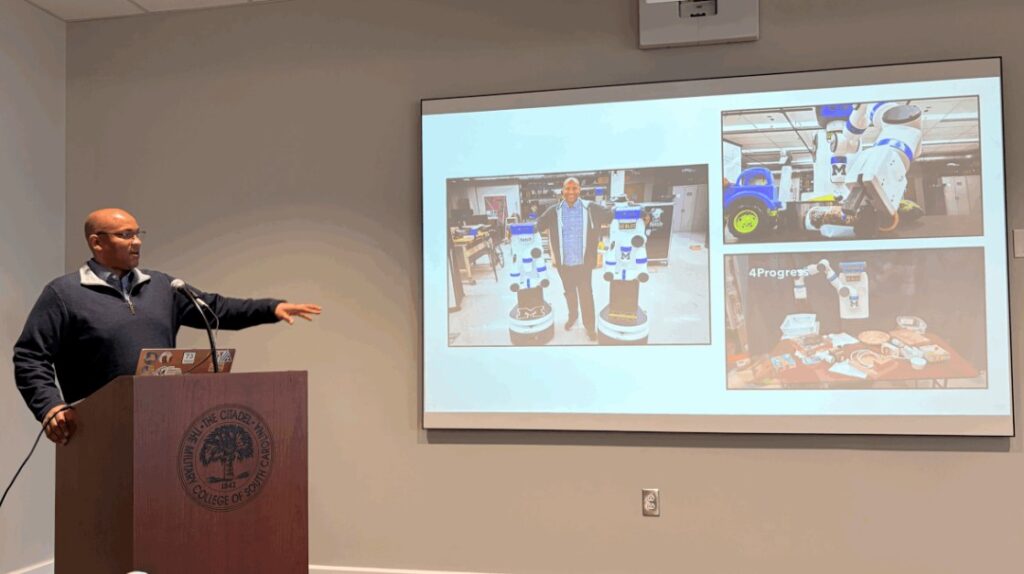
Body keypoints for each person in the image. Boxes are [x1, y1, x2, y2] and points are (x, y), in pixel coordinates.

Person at [13, 208, 322, 446]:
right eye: (125, 235)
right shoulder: (64, 294)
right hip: (98, 433)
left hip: (164, 429)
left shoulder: (162, 287)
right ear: (97, 243)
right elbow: (30, 356)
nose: (137, 242)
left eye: (137, 233)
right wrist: (50, 407)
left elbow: (217, 310)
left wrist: (271, 309)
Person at [537, 177, 611, 341]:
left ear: (580, 190)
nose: (571, 192)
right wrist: (520, 230)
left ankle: (590, 326)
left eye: (574, 188)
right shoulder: (554, 211)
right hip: (565, 264)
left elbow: (610, 215)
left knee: (586, 295)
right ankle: (573, 316)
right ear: (562, 191)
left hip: (584, 264)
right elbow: (539, 224)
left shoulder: (590, 208)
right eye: (567, 189)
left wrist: (638, 213)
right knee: (569, 292)